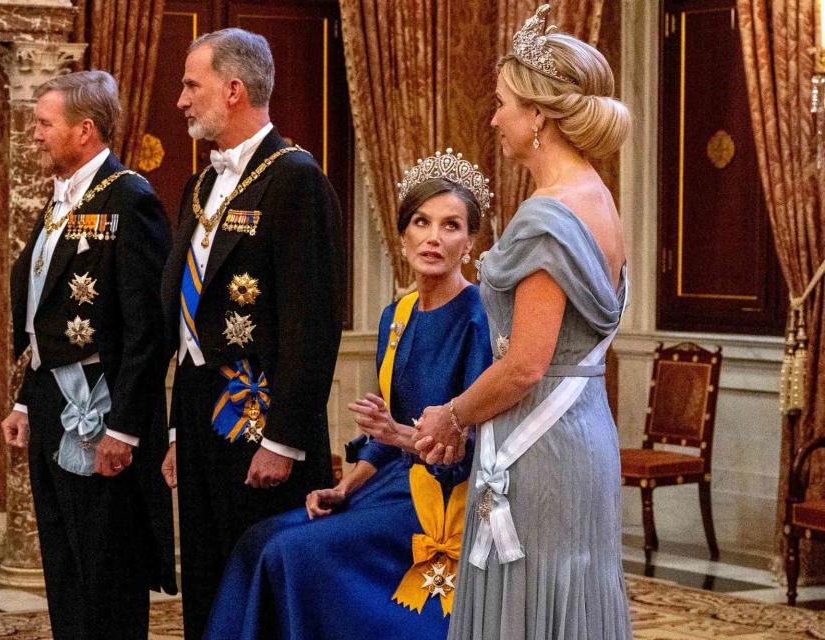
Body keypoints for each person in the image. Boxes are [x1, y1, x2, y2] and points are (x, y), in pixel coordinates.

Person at [203, 154, 495, 640]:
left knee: (292, 554)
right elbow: (383, 437)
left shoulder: (478, 317)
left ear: (470, 243)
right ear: (402, 236)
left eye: (451, 226)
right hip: (390, 485)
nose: (433, 238)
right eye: (421, 222)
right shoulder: (396, 316)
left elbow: (470, 450)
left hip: (444, 500)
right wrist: (344, 488)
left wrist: (398, 435)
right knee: (259, 540)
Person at [413, 5, 634, 639]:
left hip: (540, 445)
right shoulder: (599, 196)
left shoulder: (548, 215)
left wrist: (452, 415)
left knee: (533, 604)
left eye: (503, 102)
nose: (494, 117)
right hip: (583, 430)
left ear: (538, 115)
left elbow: (527, 364)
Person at [159, 28, 345, 638]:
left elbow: (311, 323)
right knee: (209, 582)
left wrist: (285, 440)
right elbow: (192, 323)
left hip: (261, 425)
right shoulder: (201, 185)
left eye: (193, 84)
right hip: (202, 416)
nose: (181, 99)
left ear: (234, 89)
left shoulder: (294, 179)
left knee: (264, 590)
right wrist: (180, 430)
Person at [0, 70, 177, 639]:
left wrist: (124, 429)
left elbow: (147, 329)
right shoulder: (59, 199)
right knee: (64, 560)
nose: (34, 135)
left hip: (102, 409)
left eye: (44, 124)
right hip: (54, 401)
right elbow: (41, 313)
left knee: (105, 564)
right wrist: (27, 402)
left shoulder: (131, 198)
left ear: (85, 129)